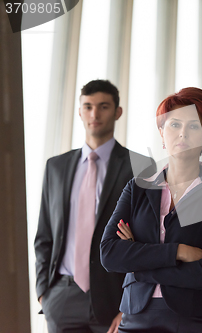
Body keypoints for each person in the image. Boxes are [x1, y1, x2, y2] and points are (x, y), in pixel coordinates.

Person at [100, 87, 202, 333]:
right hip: (134, 318)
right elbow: (110, 253)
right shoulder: (137, 188)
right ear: (162, 134)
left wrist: (140, 266)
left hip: (194, 322)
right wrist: (179, 252)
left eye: (194, 126)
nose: (182, 133)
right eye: (174, 124)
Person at [34, 79, 155, 333]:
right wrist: (44, 292)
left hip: (115, 298)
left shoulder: (141, 167)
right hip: (61, 297)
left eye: (103, 106)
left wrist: (128, 306)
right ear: (79, 111)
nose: (94, 114)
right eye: (87, 106)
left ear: (118, 112)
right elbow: (44, 235)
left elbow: (149, 241)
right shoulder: (55, 167)